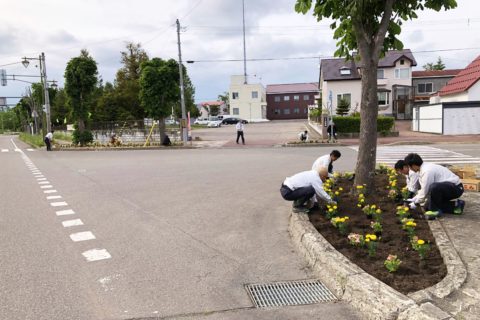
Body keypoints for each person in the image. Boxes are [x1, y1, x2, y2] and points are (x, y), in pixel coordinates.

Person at [404, 153, 465, 218]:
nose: (410, 169)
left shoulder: (427, 171)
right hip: (447, 187)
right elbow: (423, 190)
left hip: (456, 188)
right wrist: (413, 199)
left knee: (434, 187)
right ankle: (456, 205)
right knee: (427, 206)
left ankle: (435, 211)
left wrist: (415, 203)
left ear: (413, 165)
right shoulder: (423, 169)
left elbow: (425, 191)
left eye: (409, 167)